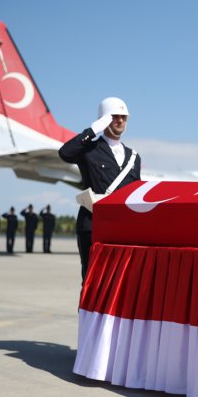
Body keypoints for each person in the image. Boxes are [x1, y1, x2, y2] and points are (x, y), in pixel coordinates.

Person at [59, 97, 141, 280]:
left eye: (124, 117)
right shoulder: (89, 150)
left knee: (121, 280)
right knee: (92, 280)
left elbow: (135, 193)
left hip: (123, 227)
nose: (120, 120)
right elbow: (65, 153)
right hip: (93, 223)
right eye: (115, 116)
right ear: (104, 119)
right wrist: (93, 130)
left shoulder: (134, 157)